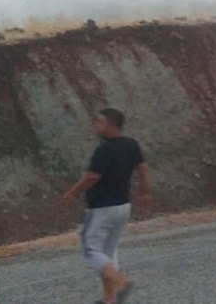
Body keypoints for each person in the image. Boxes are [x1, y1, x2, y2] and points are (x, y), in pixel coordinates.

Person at [61, 108, 152, 304]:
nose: (96, 125)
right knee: (109, 251)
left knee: (91, 250)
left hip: (101, 208)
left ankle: (122, 282)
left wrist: (72, 193)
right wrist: (145, 192)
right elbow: (143, 169)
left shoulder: (105, 149)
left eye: (100, 122)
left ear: (112, 125)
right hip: (122, 206)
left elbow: (93, 176)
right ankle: (109, 299)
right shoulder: (131, 144)